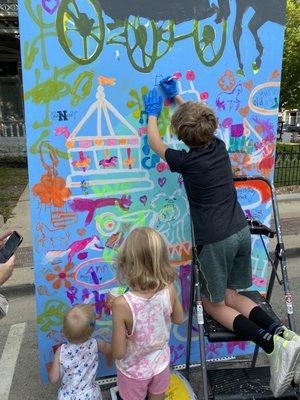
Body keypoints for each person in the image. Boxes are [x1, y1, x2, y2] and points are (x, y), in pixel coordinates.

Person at [142, 78, 300, 398]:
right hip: (240, 231)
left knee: (212, 305)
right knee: (232, 294)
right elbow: (196, 123)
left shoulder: (185, 161)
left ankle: (270, 345)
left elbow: (156, 143)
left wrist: (151, 114)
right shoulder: (219, 147)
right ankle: (283, 334)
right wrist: (176, 101)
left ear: (184, 137)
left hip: (214, 241)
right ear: (210, 128)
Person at [110, 227, 184, 400]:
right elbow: (179, 318)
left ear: (127, 262)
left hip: (133, 372)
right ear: (161, 260)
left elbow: (118, 352)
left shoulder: (121, 304)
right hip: (160, 365)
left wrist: (114, 314)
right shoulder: (168, 288)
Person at [48, 304, 112, 400]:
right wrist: (109, 360)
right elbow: (110, 349)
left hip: (68, 396)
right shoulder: (96, 344)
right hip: (90, 395)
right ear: (92, 330)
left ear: (64, 333)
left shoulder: (61, 351)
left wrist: (50, 369)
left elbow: (54, 378)